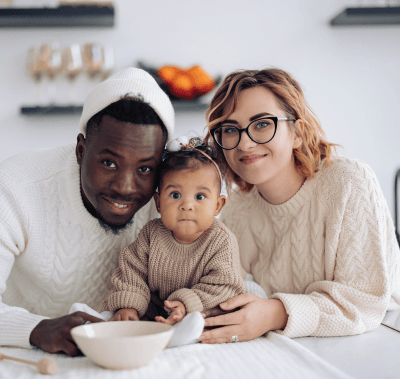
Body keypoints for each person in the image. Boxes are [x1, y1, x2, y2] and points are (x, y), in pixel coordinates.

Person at [198, 68, 400, 344]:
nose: (244, 143)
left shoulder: (349, 182)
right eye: (231, 129)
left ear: (298, 133)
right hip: (304, 343)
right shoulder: (238, 208)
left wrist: (274, 313)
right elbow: (224, 285)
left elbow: (364, 302)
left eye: (262, 124)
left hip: (379, 338)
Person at [0, 67, 174, 356]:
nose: (125, 187)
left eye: (145, 168)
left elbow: (224, 273)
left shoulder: (172, 196)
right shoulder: (16, 186)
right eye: (109, 163)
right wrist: (36, 328)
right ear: (81, 150)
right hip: (25, 355)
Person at [100, 140, 245, 325]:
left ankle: (184, 329)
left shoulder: (221, 241)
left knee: (209, 318)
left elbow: (225, 286)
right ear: (159, 203)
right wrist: (128, 305)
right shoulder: (152, 234)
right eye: (175, 195)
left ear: (218, 205)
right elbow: (131, 272)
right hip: (156, 309)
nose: (187, 205)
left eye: (200, 196)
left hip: (199, 309)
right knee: (119, 313)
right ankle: (102, 319)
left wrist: (185, 305)